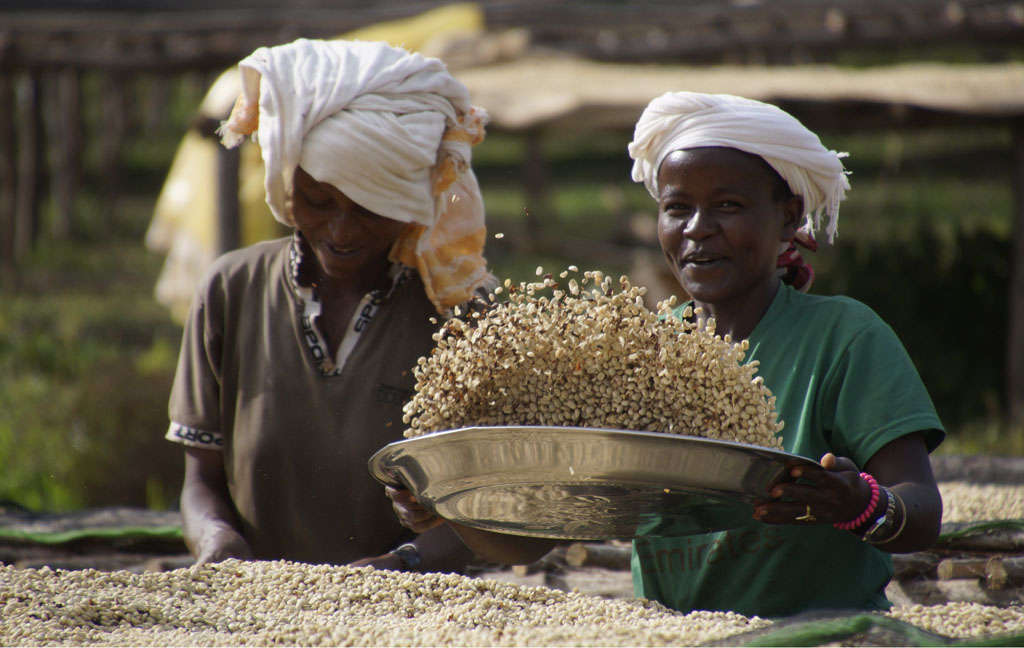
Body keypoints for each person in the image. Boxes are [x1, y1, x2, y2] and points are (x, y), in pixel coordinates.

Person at [387, 91, 945, 618]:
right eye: (678, 208)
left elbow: (921, 509)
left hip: (822, 634)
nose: (698, 230)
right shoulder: (637, 351)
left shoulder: (842, 338)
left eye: (728, 205)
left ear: (789, 219)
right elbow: (536, 539)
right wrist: (449, 503)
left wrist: (859, 504)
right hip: (673, 635)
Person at [165, 37, 494, 572]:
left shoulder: (459, 313)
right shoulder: (231, 289)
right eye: (318, 203)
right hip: (255, 606)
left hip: (420, 613)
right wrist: (218, 544)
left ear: (410, 202)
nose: (341, 231)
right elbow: (200, 481)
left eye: (369, 210)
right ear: (287, 183)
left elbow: (494, 510)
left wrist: (401, 566)